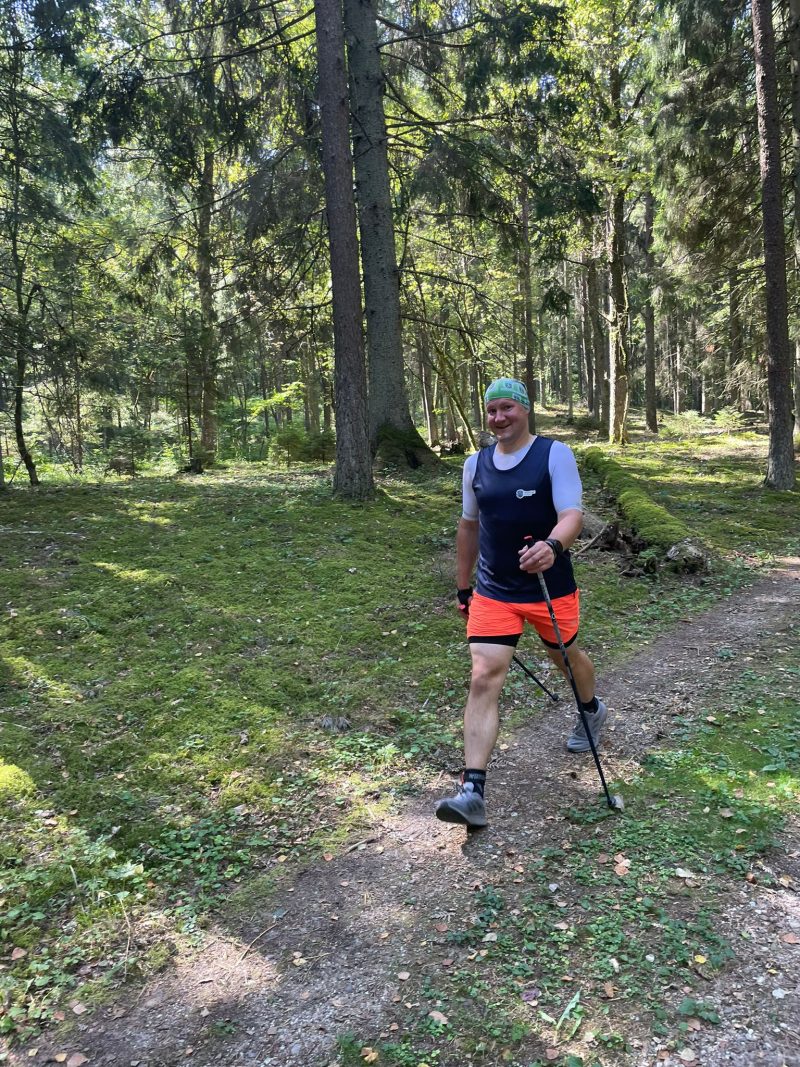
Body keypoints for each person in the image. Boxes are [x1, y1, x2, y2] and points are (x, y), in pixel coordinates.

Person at [435, 377, 606, 829]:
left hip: (550, 587)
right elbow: (469, 525)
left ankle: (591, 709)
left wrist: (552, 545)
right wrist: (463, 586)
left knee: (565, 658)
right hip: (495, 591)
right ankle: (472, 791)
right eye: (491, 410)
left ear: (525, 409)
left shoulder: (554, 454)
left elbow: (572, 514)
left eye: (507, 408)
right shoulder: (475, 464)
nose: (499, 417)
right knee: (483, 676)